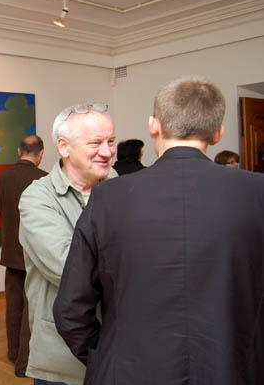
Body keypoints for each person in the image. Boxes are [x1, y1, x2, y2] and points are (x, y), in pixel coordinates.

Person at [54, 76, 264, 384]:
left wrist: (106, 357)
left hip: (130, 372)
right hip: (232, 370)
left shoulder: (109, 197)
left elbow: (71, 310)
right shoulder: (257, 192)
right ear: (218, 133)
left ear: (153, 125)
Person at [19, 103, 115, 385]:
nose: (107, 151)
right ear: (64, 147)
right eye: (95, 143)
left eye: (111, 141)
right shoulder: (38, 198)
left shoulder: (118, 186)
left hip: (116, 345)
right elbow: (67, 267)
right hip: (63, 357)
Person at [0, 135, 47, 377]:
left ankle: (13, 352)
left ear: (18, 151)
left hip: (10, 251)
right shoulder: (44, 179)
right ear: (41, 153)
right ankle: (24, 364)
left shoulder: (3, 177)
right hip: (34, 253)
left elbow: (0, 209)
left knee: (13, 304)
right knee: (31, 307)